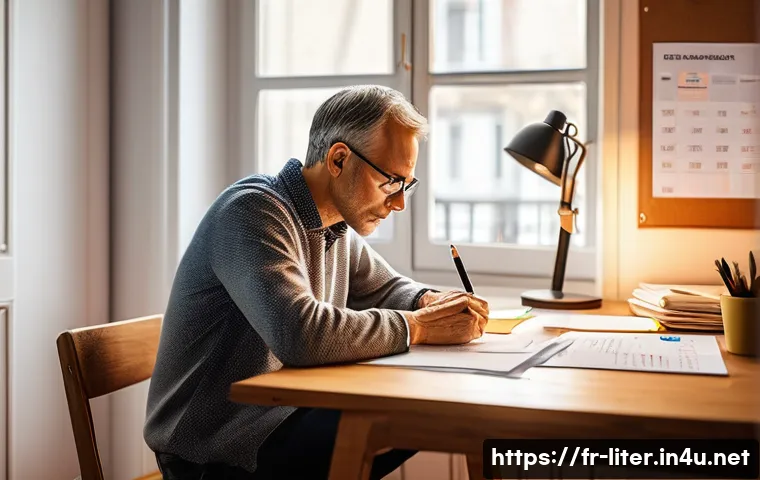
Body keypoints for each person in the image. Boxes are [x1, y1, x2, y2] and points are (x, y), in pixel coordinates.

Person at [144, 85, 490, 479]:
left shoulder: (334, 226)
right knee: (420, 414)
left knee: (441, 407)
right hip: (214, 450)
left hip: (276, 418)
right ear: (339, 159)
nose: (399, 203)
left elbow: (386, 289)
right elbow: (301, 334)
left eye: (406, 184)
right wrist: (420, 327)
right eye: (391, 181)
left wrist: (430, 301)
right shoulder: (252, 213)